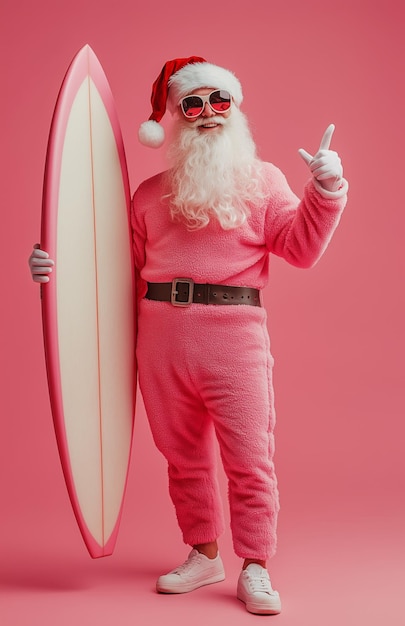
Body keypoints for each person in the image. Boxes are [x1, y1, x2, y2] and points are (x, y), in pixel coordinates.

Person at [29, 56, 348, 615]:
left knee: (250, 458)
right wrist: (53, 271)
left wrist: (327, 188)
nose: (206, 114)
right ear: (173, 117)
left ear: (235, 108)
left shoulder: (265, 180)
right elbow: (112, 276)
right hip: (160, 344)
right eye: (192, 104)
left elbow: (299, 248)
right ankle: (203, 554)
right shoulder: (148, 196)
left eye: (217, 101)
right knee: (183, 459)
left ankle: (255, 565)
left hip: (236, 341)